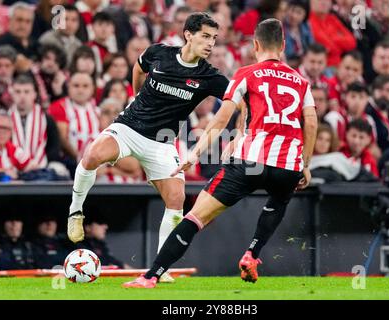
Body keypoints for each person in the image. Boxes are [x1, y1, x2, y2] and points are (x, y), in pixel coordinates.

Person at [123, 18, 318, 288]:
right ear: (284, 45)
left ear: (255, 45)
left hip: (250, 161)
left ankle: (150, 276)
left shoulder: (246, 74)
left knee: (195, 217)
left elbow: (221, 119)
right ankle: (252, 253)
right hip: (288, 164)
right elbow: (310, 122)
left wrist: (196, 153)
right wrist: (304, 163)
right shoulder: (301, 81)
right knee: (278, 202)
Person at [66, 13, 229, 283]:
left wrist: (242, 126)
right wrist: (135, 96)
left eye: (214, 38)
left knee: (176, 201)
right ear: (188, 34)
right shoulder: (159, 53)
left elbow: (236, 98)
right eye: (205, 36)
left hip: (162, 142)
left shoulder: (210, 76)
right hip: (130, 127)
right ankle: (75, 211)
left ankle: (159, 268)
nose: (210, 43)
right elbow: (138, 68)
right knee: (93, 155)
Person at [9, 75, 61, 169]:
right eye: (18, 92)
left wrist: (38, 164)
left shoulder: (47, 119)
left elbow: (54, 148)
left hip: (41, 168)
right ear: (12, 94)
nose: (22, 96)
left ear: (34, 94)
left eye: (27, 92)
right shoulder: (4, 119)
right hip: (12, 167)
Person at [0, 110, 32, 180]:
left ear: (11, 132)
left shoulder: (13, 149)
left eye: (6, 129)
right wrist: (5, 172)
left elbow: (31, 166)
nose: (1, 132)